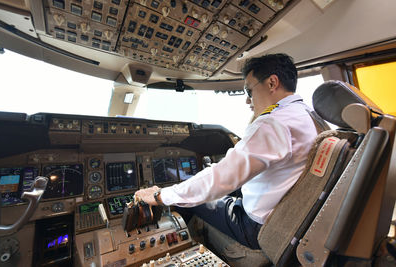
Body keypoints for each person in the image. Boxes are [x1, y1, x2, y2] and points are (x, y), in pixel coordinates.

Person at [135, 53, 318, 249]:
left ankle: (181, 246)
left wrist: (160, 196)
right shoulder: (309, 115)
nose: (248, 101)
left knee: (191, 197)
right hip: (290, 217)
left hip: (257, 226)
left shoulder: (273, 123)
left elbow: (218, 179)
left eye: (249, 91)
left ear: (272, 83)